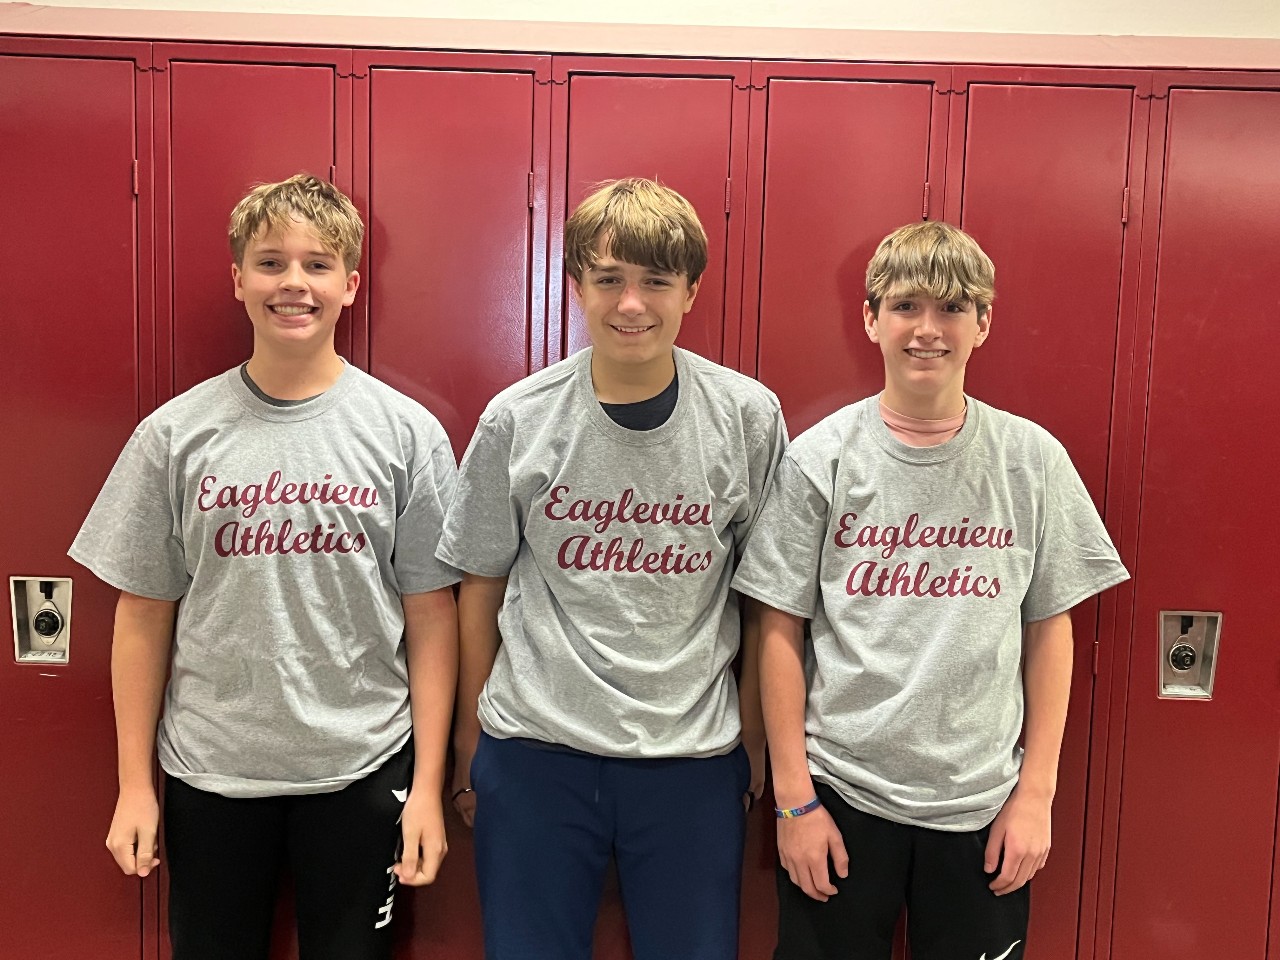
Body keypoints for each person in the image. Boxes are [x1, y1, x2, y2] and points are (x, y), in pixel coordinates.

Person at [69, 173, 460, 960]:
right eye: (271, 262)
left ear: (350, 285)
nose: (293, 283)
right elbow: (143, 615)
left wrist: (427, 786)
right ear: (238, 278)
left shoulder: (406, 435)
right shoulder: (173, 437)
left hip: (361, 772)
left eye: (317, 265)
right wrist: (135, 784)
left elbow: (432, 615)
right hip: (211, 778)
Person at [732, 221, 1129, 960]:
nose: (927, 329)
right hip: (842, 799)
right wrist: (794, 800)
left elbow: (1050, 631)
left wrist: (1035, 796)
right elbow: (777, 631)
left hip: (982, 809)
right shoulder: (822, 458)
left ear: (984, 323)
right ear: (871, 318)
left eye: (951, 308)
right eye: (907, 306)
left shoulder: (1031, 461)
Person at [437, 177, 787, 960]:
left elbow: (768, 598)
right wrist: (470, 742)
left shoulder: (747, 417)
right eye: (609, 280)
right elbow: (479, 585)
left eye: (656, 282)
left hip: (690, 761)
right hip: (534, 754)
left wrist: (754, 739)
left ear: (691, 291)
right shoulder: (518, 418)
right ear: (576, 288)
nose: (632, 304)